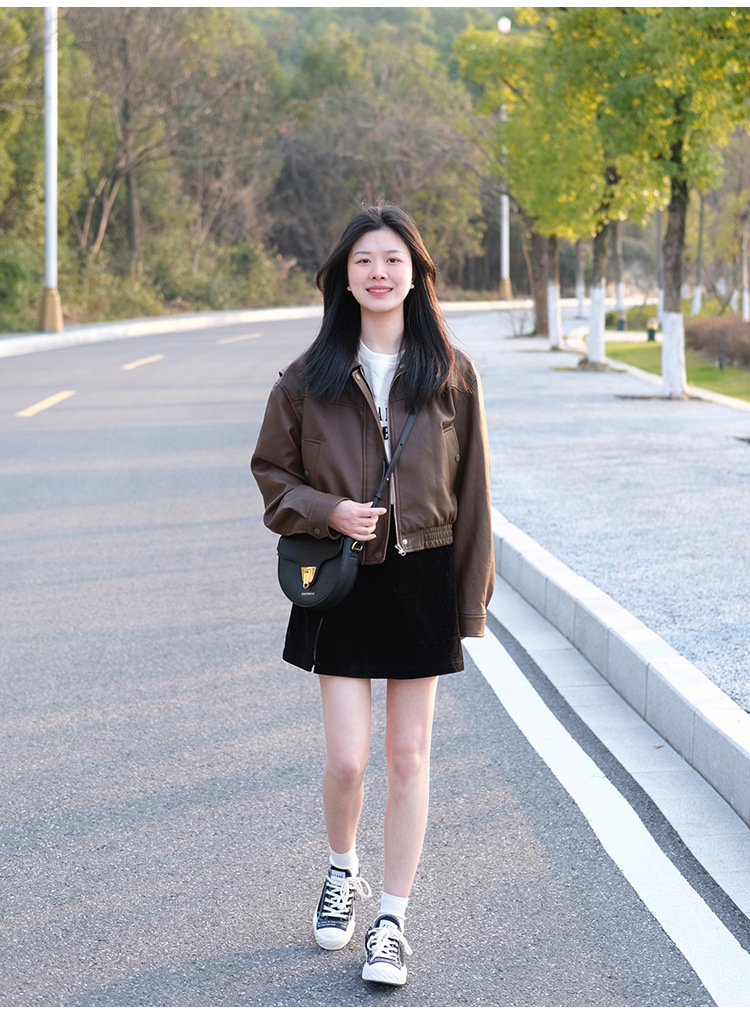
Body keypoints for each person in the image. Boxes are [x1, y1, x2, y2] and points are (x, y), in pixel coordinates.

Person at [251, 203, 494, 987]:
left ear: (416, 274)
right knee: (348, 760)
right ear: (344, 278)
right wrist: (329, 510)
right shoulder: (307, 377)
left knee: (408, 754)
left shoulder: (451, 373)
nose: (379, 272)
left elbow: (474, 495)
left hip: (423, 575)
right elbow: (272, 477)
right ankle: (341, 868)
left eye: (393, 259)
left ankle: (391, 920)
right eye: (364, 261)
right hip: (341, 578)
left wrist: (470, 603)